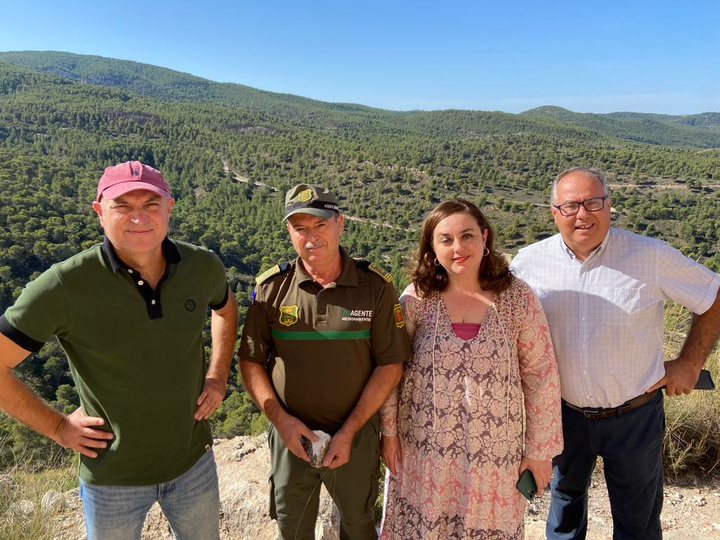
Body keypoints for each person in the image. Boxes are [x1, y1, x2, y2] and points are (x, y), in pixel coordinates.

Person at [0, 161, 238, 540]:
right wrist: (59, 427)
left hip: (193, 464)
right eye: (122, 206)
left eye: (150, 204)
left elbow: (225, 309)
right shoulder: (63, 286)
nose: (139, 217)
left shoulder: (202, 266)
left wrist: (218, 375)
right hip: (112, 479)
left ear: (169, 207)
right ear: (99, 211)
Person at [511, 166, 720, 540]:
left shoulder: (651, 256)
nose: (583, 214)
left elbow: (712, 296)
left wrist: (690, 363)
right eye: (571, 205)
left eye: (594, 202)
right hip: (563, 414)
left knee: (637, 522)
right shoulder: (528, 263)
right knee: (564, 514)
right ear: (554, 212)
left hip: (635, 415)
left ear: (609, 206)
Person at [379, 199, 563, 540]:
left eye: (467, 236)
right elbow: (392, 371)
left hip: (494, 458)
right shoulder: (416, 299)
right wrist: (388, 434)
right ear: (432, 249)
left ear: (485, 237)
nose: (458, 247)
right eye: (445, 239)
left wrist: (539, 453)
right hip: (423, 453)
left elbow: (541, 376)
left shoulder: (517, 299)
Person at [239, 183, 410, 540]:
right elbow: (251, 362)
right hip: (290, 436)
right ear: (289, 232)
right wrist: (281, 422)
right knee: (292, 527)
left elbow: (390, 364)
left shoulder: (374, 287)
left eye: (320, 225)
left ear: (340, 224)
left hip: (356, 435)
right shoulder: (271, 290)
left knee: (358, 525)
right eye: (300, 227)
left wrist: (349, 432)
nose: (310, 237)